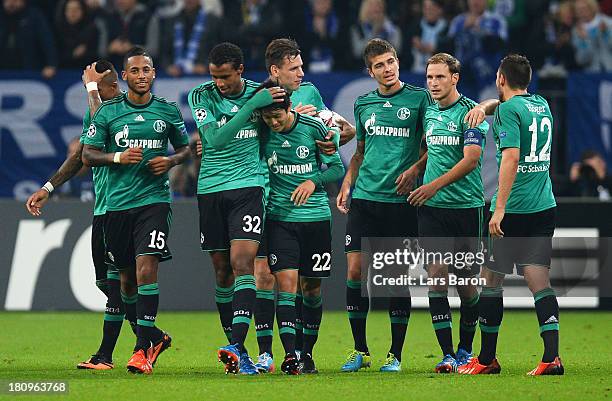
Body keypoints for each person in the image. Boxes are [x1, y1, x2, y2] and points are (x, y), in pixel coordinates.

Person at [82, 46, 191, 375]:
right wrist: (117, 157)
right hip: (117, 207)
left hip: (154, 203)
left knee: (146, 270)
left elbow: (185, 148)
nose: (142, 75)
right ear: (125, 76)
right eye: (135, 71)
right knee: (126, 283)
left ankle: (142, 349)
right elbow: (87, 154)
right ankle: (151, 340)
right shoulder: (108, 113)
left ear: (153, 74)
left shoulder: (168, 111)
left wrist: (170, 161)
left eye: (147, 70)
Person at [25, 60, 140, 370]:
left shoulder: (121, 112)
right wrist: (48, 188)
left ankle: (108, 354)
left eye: (96, 88)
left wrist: (91, 88)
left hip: (124, 208)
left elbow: (98, 131)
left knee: (116, 284)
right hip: (103, 209)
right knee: (107, 283)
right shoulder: (99, 111)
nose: (91, 94)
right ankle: (149, 337)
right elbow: (80, 155)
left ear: (113, 87)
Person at [252, 38, 354, 373]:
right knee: (273, 279)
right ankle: (274, 353)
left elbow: (347, 132)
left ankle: (303, 352)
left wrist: (328, 132)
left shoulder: (310, 94)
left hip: (313, 214)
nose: (300, 73)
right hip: (273, 209)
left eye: (301, 66)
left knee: (309, 286)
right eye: (293, 68)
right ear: (275, 70)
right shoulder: (257, 97)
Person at [458, 54, 563, 376]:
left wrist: (499, 208)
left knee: (491, 280)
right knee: (539, 281)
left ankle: (487, 359)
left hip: (514, 209)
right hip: (544, 205)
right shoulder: (540, 104)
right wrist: (485, 107)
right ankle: (552, 358)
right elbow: (507, 104)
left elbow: (511, 158)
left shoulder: (507, 110)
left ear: (500, 78)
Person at [187, 42, 285, 375]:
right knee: (221, 271)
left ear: (240, 70)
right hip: (211, 190)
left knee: (242, 263)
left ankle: (238, 346)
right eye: (215, 77)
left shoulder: (262, 95)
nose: (220, 83)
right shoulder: (200, 95)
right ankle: (238, 351)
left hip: (248, 187)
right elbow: (213, 141)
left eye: (225, 77)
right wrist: (250, 107)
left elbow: (286, 122)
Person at [337, 38, 433, 373]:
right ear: (370, 71)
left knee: (394, 278)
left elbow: (432, 145)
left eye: (390, 61)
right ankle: (360, 349)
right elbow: (360, 151)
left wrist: (416, 169)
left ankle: (395, 354)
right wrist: (348, 181)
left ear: (398, 61)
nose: (387, 69)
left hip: (400, 202)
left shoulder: (420, 99)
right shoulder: (364, 104)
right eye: (379, 65)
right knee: (354, 271)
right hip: (365, 198)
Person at [408, 53, 488, 373]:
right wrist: (416, 168)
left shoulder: (470, 113)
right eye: (429, 78)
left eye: (440, 77)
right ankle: (447, 355)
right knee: (437, 277)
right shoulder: (428, 110)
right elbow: (434, 150)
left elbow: (470, 160)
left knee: (467, 285)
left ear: (454, 78)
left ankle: (466, 349)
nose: (433, 83)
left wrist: (432, 186)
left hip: (467, 208)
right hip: (433, 211)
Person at [0, 0, 58, 78]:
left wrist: (51, 64)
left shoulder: (34, 15)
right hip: (3, 70)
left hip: (29, 71)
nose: (11, 3)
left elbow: (47, 41)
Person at [54, 0, 99, 68]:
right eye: (69, 9)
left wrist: (86, 52)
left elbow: (98, 54)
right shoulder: (56, 30)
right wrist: (72, 54)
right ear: (64, 12)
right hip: (62, 71)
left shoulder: (92, 29)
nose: (73, 12)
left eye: (77, 9)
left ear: (83, 11)